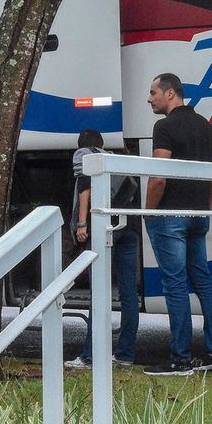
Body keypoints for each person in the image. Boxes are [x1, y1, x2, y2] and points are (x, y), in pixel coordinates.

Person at [141, 73, 212, 377]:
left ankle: (180, 359)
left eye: (153, 92)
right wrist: (206, 207)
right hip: (198, 215)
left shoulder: (163, 127)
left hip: (169, 216)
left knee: (175, 285)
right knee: (203, 282)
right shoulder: (207, 126)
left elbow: (159, 176)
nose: (149, 98)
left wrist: (148, 213)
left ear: (170, 94)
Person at [64, 129, 141, 370]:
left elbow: (85, 187)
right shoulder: (114, 159)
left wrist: (82, 223)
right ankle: (125, 354)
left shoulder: (84, 155)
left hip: (105, 227)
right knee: (129, 295)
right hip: (129, 228)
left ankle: (90, 355)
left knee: (99, 291)